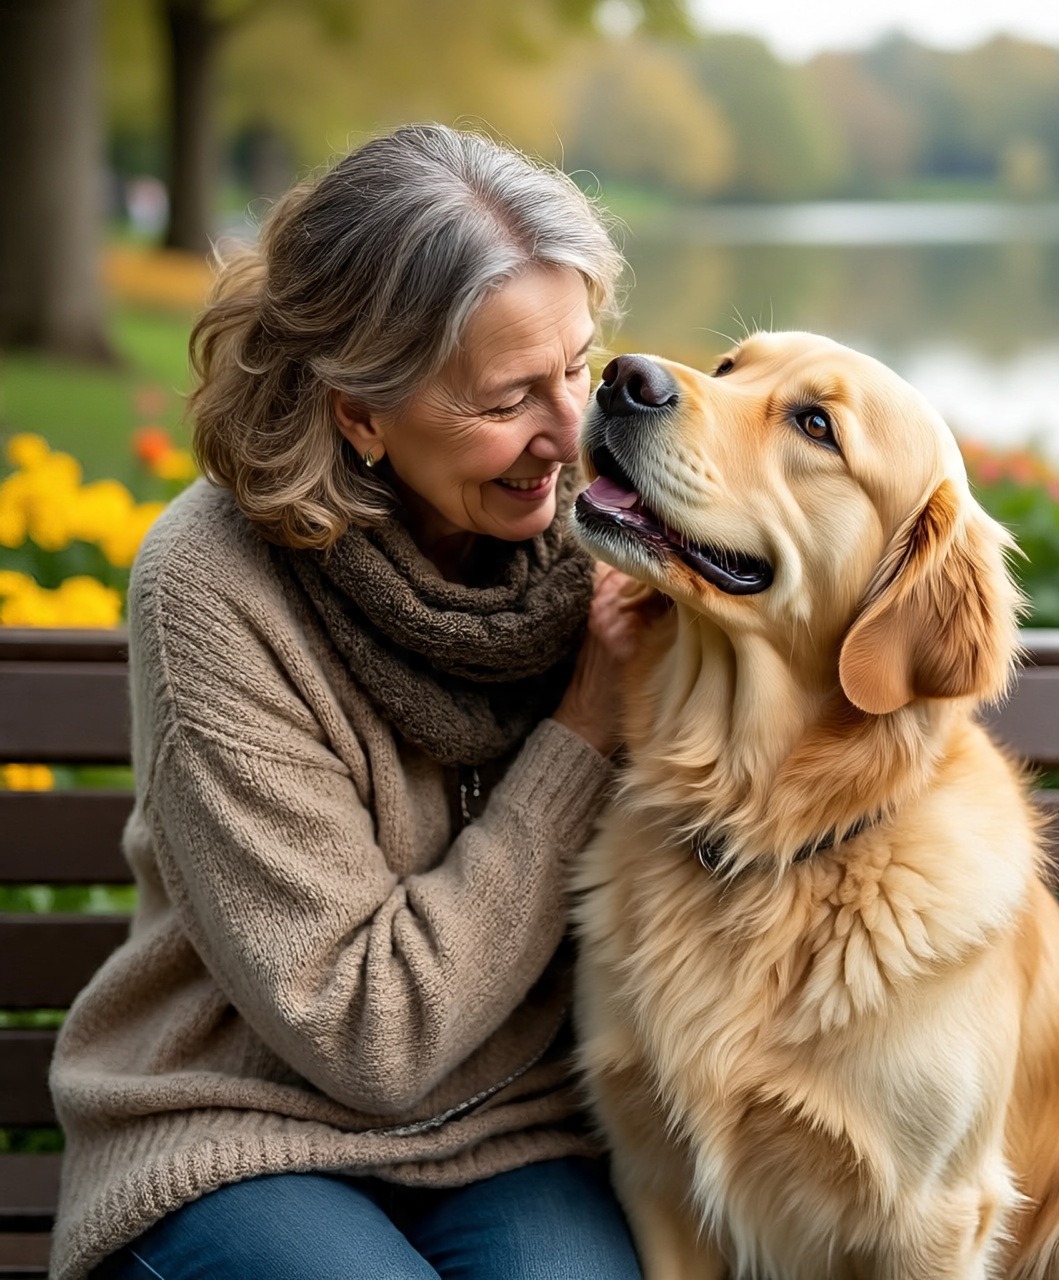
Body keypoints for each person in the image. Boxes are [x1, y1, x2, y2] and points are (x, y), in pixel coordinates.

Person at [48, 124, 646, 1280]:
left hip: (515, 1135)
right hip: (235, 1133)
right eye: (506, 398)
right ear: (358, 411)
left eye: (576, 367)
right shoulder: (213, 586)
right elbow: (366, 1032)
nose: (568, 435)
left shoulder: (606, 529)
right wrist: (582, 732)